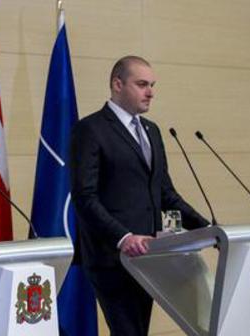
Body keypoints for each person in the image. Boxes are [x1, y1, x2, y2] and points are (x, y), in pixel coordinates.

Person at [69, 55, 209, 335]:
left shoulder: (152, 131)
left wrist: (207, 228)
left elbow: (166, 194)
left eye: (152, 85)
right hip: (112, 256)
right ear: (117, 84)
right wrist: (123, 237)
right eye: (142, 84)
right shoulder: (91, 129)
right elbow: (85, 197)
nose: (150, 92)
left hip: (150, 256)